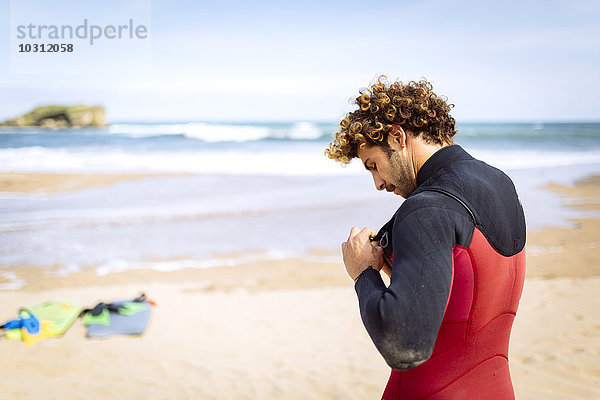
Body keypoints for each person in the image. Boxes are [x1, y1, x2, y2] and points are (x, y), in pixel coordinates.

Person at [325, 76, 526, 399]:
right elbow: (470, 284)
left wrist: (364, 273)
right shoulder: (500, 183)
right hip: (494, 388)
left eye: (374, 165)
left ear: (397, 136)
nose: (378, 183)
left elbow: (405, 346)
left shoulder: (424, 210)